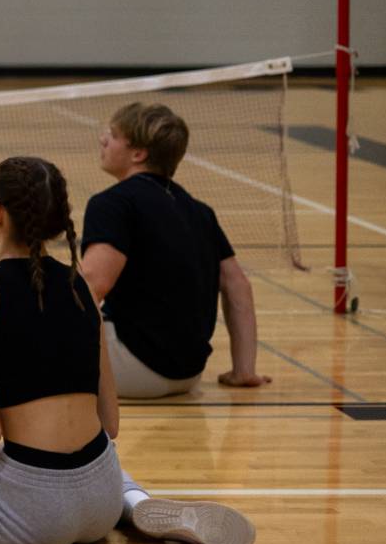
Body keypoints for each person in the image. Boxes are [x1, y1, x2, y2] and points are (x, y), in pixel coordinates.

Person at [0, 158, 256, 544]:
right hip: (100, 501)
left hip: (31, 518)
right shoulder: (83, 289)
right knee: (92, 452)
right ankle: (133, 503)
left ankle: (126, 501)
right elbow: (109, 424)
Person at [79, 102, 269, 397]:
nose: (103, 139)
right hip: (188, 374)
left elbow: (92, 283)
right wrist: (244, 370)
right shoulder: (199, 211)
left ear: (138, 154)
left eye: (114, 135)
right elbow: (237, 285)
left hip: (131, 370)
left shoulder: (113, 203)